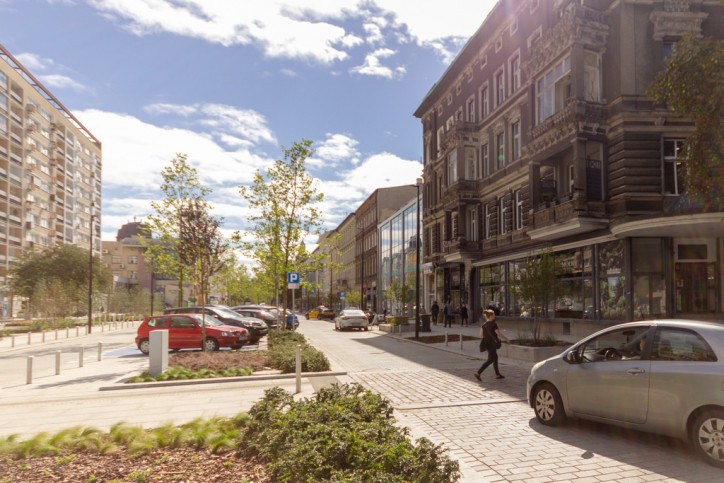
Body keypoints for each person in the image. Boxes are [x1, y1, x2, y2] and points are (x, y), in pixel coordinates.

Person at [474, 309, 511, 381]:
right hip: (492, 344)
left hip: (487, 344)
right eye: (493, 315)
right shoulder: (494, 324)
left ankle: (497, 374)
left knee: (495, 358)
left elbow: (481, 335)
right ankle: (478, 372)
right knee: (490, 360)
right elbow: (498, 334)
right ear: (490, 316)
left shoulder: (484, 325)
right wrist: (506, 339)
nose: (494, 316)